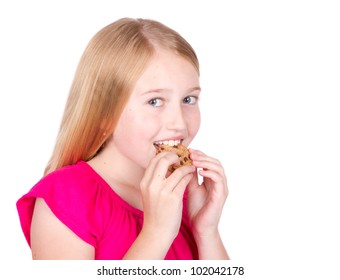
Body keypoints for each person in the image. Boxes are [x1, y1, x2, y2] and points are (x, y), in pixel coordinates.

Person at [16, 17, 229, 260]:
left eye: (188, 99)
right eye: (154, 101)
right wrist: (157, 232)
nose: (179, 123)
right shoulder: (67, 200)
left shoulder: (183, 195)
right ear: (105, 113)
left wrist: (206, 231)